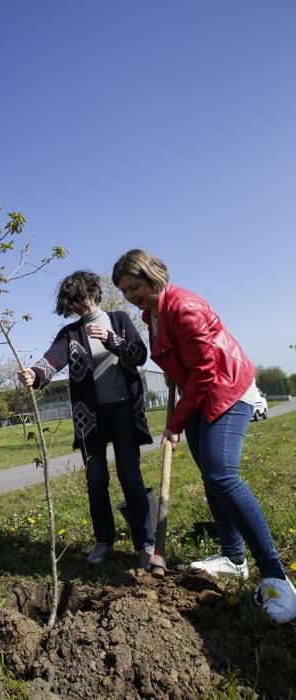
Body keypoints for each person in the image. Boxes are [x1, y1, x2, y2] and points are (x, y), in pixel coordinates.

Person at [112, 249, 296, 624]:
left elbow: (207, 372)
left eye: (135, 287)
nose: (131, 297)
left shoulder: (184, 307)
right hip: (197, 392)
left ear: (153, 277)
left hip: (226, 390)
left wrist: (174, 424)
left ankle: (276, 577)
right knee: (211, 477)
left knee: (221, 473)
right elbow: (184, 362)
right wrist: (171, 371)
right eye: (125, 291)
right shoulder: (153, 315)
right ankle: (233, 557)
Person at [18, 270, 155, 568]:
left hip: (124, 412)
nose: (78, 305)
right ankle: (103, 540)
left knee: (130, 476)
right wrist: (34, 374)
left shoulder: (118, 319)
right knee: (96, 480)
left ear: (93, 291)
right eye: (71, 302)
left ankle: (145, 542)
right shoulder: (70, 334)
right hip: (89, 417)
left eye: (81, 297)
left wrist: (111, 340)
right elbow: (51, 361)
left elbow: (139, 355)